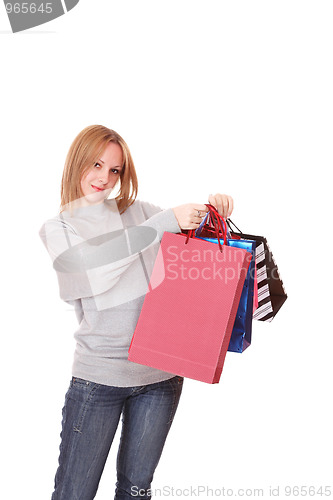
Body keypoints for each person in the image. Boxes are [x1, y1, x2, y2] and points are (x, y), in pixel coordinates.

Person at [39, 124, 234, 500]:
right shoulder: (58, 228)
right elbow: (96, 269)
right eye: (96, 164)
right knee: (75, 492)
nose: (104, 178)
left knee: (136, 490)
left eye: (115, 170)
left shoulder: (139, 212)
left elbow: (197, 245)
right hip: (100, 379)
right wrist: (162, 223)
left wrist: (216, 213)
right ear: (77, 162)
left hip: (161, 376)